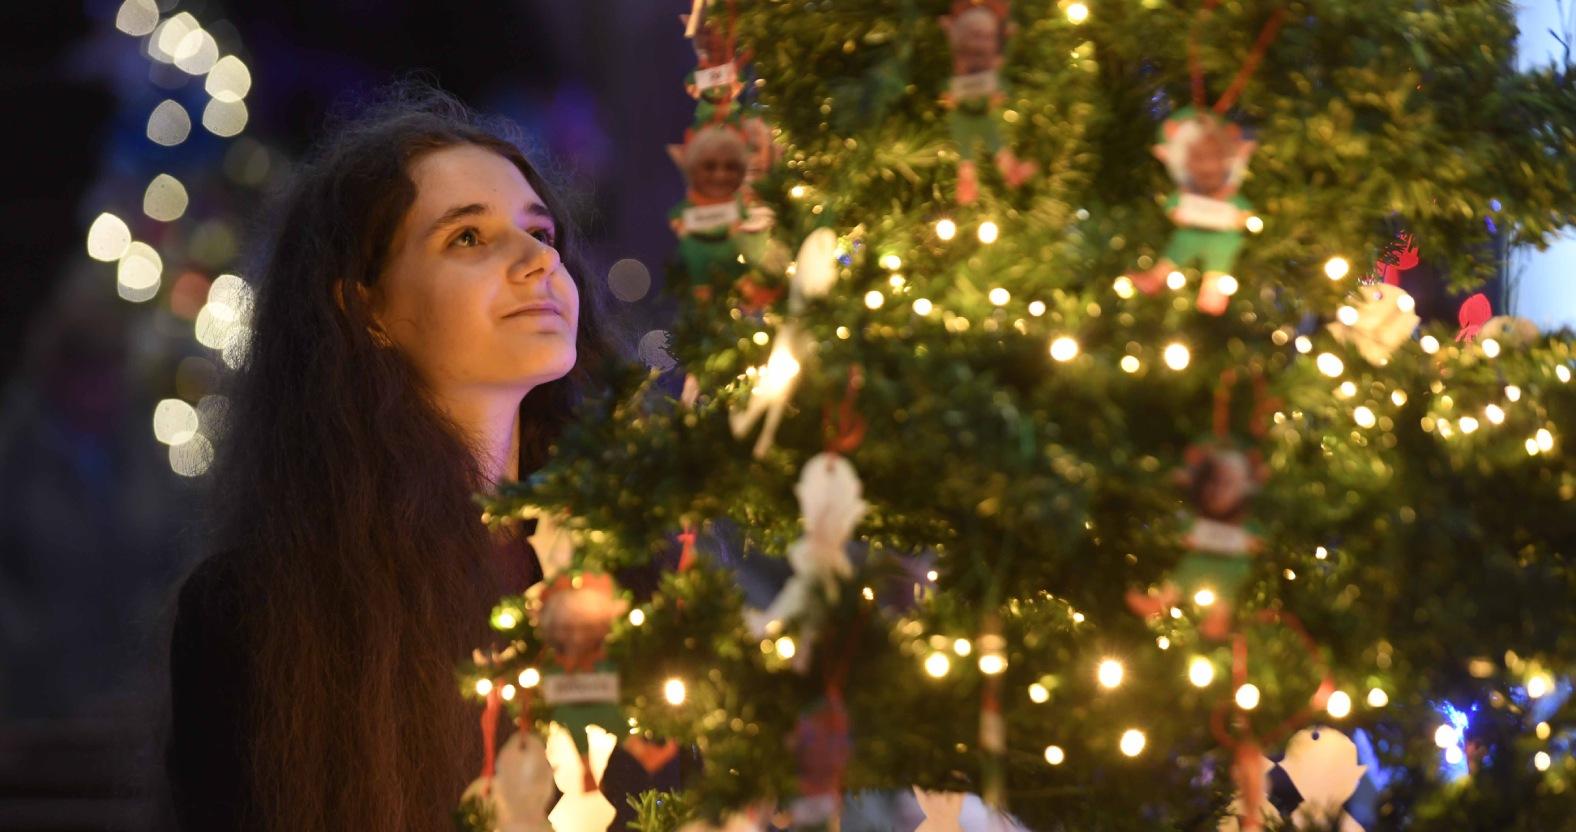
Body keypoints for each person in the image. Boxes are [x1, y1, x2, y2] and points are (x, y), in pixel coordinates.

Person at [161, 83, 620, 830]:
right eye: (467, 237)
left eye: (542, 232)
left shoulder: (633, 561)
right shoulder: (262, 614)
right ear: (364, 307)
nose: (537, 259)